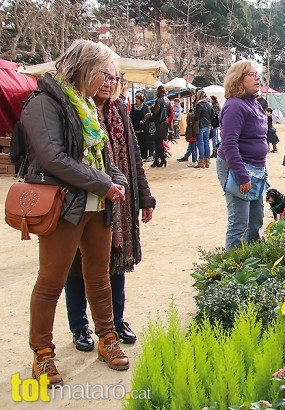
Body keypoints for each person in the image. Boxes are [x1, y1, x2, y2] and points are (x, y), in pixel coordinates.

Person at [20, 39, 130, 386]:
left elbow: (103, 155)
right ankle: (42, 354)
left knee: (98, 277)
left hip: (96, 206)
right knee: (51, 282)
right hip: (65, 204)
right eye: (105, 73)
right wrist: (103, 183)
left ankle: (107, 339)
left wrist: (118, 179)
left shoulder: (85, 102)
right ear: (85, 68)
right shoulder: (44, 103)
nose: (109, 81)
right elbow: (53, 158)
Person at [64, 62, 156, 352]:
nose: (108, 82)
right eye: (103, 76)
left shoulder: (119, 111)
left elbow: (134, 155)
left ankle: (116, 320)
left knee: (117, 260)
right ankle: (80, 327)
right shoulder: (76, 108)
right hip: (81, 200)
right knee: (77, 266)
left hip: (120, 199)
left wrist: (145, 197)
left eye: (113, 77)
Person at [216, 60, 268, 250]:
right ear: (238, 80)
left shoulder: (254, 103)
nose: (257, 78)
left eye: (257, 74)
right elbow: (229, 143)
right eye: (252, 75)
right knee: (239, 223)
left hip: (256, 169)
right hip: (239, 168)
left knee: (255, 220)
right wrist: (241, 175)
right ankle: (233, 268)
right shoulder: (235, 106)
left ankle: (251, 261)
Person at [150, 85, 171, 167]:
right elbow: (169, 113)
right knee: (160, 142)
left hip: (158, 123)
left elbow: (156, 111)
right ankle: (160, 160)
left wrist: (152, 108)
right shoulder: (168, 100)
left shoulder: (159, 100)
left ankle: (160, 160)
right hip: (165, 123)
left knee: (157, 142)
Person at [130, 92, 152, 161]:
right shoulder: (132, 106)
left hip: (143, 127)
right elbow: (131, 116)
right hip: (135, 126)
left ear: (141, 99)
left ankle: (143, 156)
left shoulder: (145, 107)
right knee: (136, 141)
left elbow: (148, 116)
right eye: (136, 98)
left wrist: (143, 120)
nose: (136, 99)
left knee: (143, 142)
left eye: (138, 98)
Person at [194, 90, 213, 168]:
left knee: (200, 144)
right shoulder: (209, 104)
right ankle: (207, 162)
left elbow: (196, 117)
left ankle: (201, 162)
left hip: (201, 126)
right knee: (206, 143)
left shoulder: (199, 105)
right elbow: (213, 115)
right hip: (208, 125)